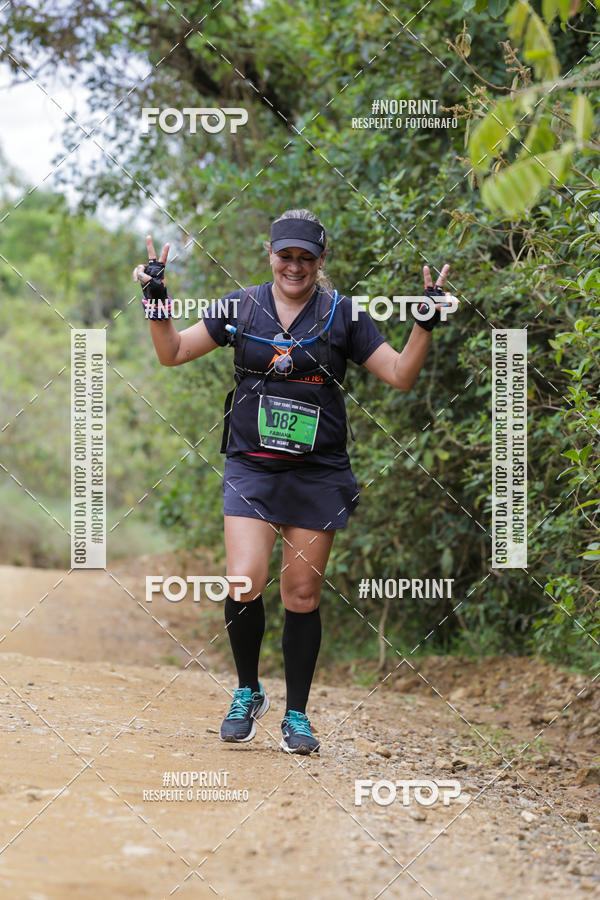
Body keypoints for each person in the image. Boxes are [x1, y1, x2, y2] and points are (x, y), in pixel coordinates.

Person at [133, 209, 456, 755]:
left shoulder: (342, 316)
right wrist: (157, 300)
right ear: (270, 254)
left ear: (320, 261)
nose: (295, 266)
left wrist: (423, 325)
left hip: (318, 472)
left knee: (301, 594)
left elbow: (401, 375)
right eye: (286, 255)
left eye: (306, 258)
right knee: (243, 581)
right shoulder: (241, 306)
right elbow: (172, 353)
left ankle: (298, 716)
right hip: (252, 466)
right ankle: (246, 691)